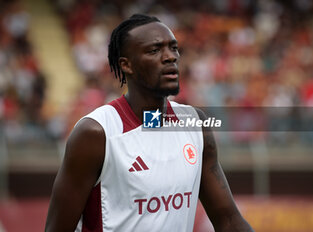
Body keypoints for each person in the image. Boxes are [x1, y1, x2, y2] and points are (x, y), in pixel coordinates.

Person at [45, 14, 253, 232]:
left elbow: (228, 219)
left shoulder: (195, 124)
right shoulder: (96, 133)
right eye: (154, 50)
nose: (170, 57)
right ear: (127, 65)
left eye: (173, 48)